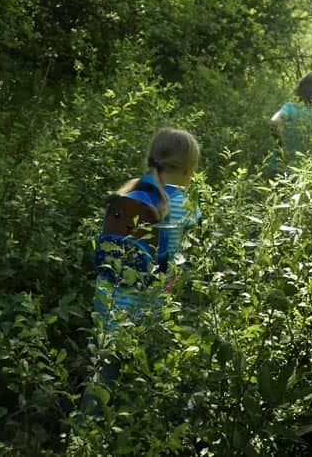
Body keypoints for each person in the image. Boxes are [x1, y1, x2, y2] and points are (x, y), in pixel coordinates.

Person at [79, 127, 201, 419]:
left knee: (103, 370)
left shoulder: (127, 194)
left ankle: (84, 429)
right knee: (144, 372)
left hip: (108, 300)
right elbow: (188, 252)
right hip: (148, 306)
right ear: (187, 170)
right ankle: (133, 425)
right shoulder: (185, 205)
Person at [269, 71, 312, 174]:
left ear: (301, 89)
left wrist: (280, 146)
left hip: (280, 167)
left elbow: (274, 121)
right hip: (306, 172)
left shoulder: (291, 107)